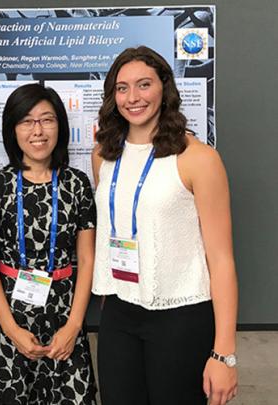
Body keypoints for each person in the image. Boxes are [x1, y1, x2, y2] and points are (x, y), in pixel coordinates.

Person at [92, 46, 238, 405]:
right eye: (122, 88)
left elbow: (220, 260)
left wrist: (224, 354)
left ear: (164, 88)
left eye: (144, 85)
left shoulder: (198, 158)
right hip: (119, 313)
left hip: (181, 318)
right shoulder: (102, 156)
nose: (133, 97)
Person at [0, 83, 97, 404]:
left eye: (47, 120)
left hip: (64, 319)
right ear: (13, 130)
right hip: (7, 318)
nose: (37, 130)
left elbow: (88, 257)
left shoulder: (76, 184)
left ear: (60, 127)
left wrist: (74, 326)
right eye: (27, 121)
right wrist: (11, 329)